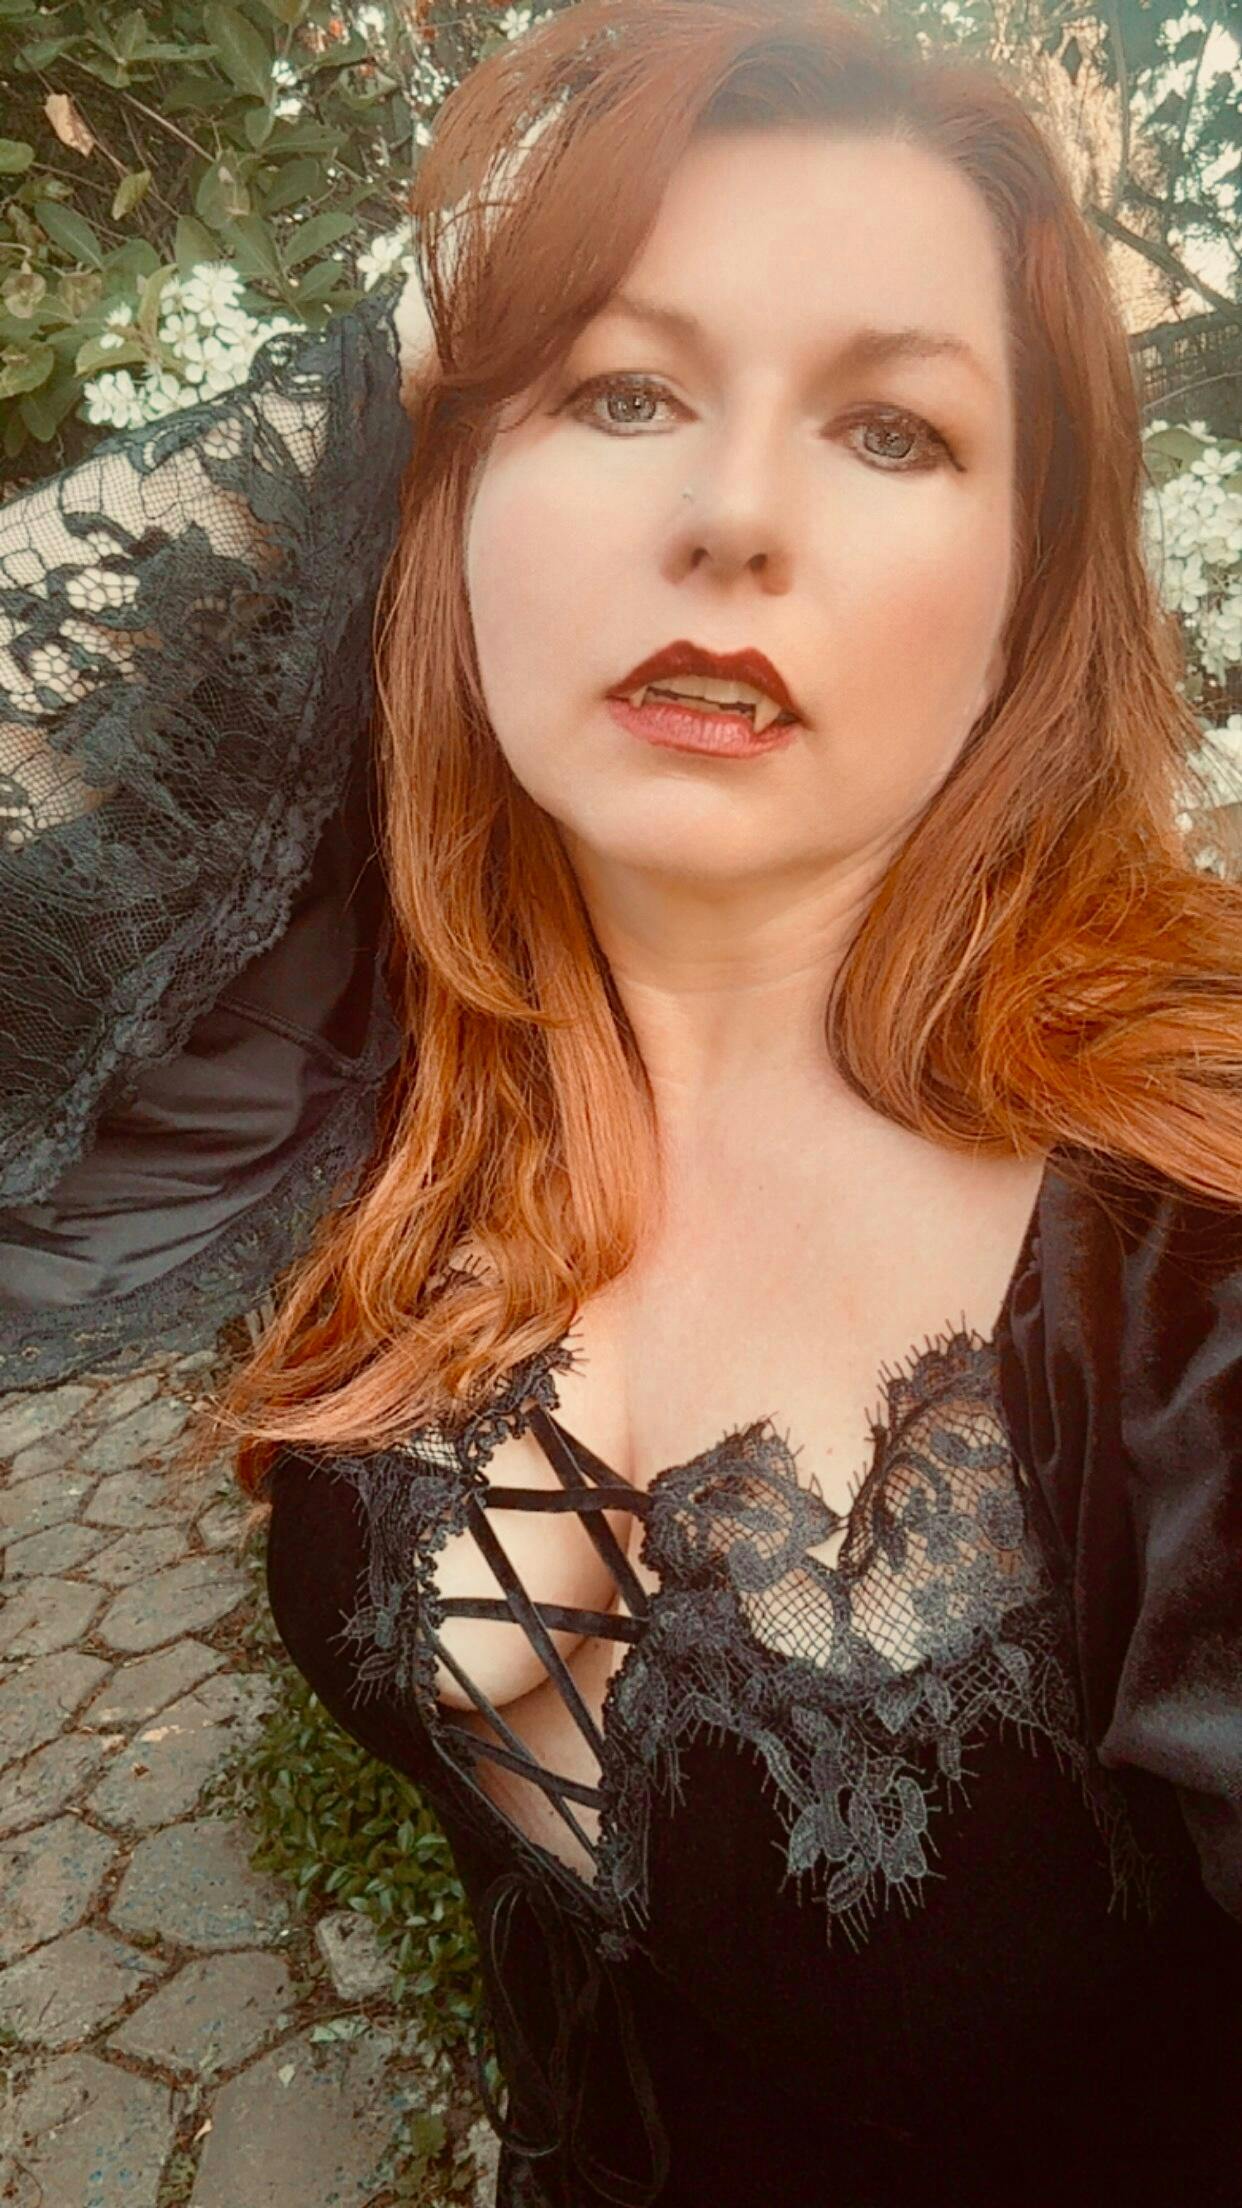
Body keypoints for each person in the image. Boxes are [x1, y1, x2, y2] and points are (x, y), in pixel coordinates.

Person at [2, 2, 1240, 2202]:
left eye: (890, 430)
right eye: (620, 391)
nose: (733, 514)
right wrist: (421, 320)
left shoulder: (1187, 1244)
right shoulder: (346, 1060)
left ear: (1024, 593)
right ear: (447, 500)